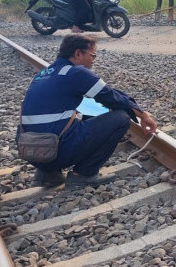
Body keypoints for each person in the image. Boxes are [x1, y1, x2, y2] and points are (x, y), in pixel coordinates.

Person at [17, 34, 157, 189]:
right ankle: (83, 174)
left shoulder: (43, 73)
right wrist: (143, 114)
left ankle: (46, 173)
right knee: (121, 118)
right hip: (55, 150)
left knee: (75, 115)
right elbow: (111, 96)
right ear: (78, 54)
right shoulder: (76, 73)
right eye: (92, 55)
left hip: (30, 151)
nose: (93, 60)